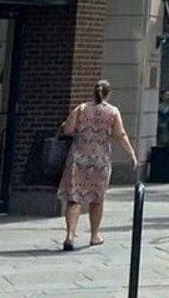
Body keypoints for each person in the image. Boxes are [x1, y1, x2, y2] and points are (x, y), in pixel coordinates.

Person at [57, 80, 137, 252]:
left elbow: (68, 129)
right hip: (100, 160)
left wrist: (66, 128)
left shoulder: (81, 109)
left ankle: (70, 236)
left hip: (78, 158)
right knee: (97, 198)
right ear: (109, 94)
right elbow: (120, 134)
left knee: (74, 197)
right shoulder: (113, 112)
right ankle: (94, 235)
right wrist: (131, 153)